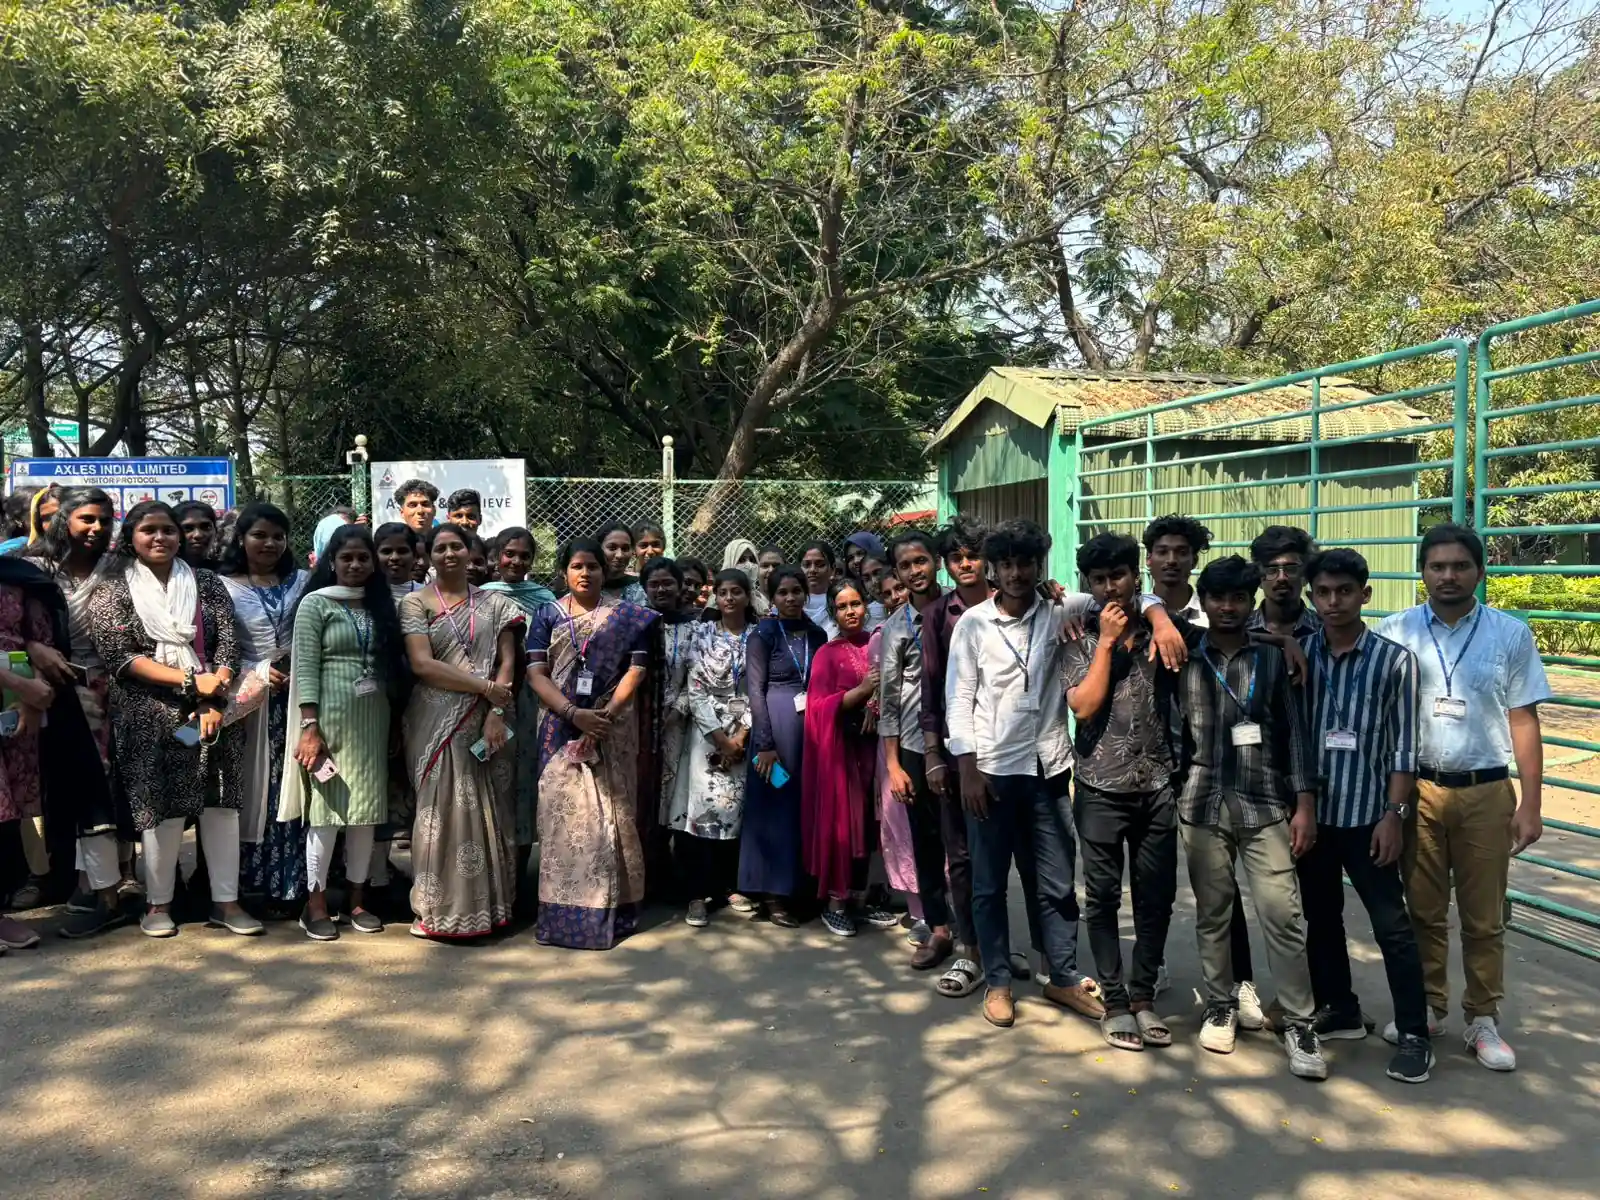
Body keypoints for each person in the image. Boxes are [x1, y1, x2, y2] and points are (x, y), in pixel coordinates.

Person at [948, 520, 1183, 1029]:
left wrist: (1161, 618)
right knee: (989, 885)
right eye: (1006, 565)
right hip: (991, 769)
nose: (1016, 573)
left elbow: (1124, 596)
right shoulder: (973, 624)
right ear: (993, 570)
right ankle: (998, 982)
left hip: (1049, 769)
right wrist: (966, 766)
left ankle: (1062, 975)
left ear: (1039, 566)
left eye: (1025, 563)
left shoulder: (1063, 608)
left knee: (1056, 884)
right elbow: (959, 698)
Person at [1377, 524, 1549, 1071]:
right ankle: (1430, 1008)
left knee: (1484, 917)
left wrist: (1531, 804)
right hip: (1419, 792)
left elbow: (1523, 719)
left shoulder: (1509, 634)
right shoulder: (1395, 631)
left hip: (1486, 791)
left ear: (1479, 571)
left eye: (1459, 566)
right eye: (1437, 566)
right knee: (1424, 912)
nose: (1448, 576)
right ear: (1422, 572)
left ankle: (1483, 1018)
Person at [1175, 555, 1326, 1079]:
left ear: (1250, 601)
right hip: (1202, 803)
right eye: (1217, 598)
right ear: (1205, 601)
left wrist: (1304, 804)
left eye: (1238, 598)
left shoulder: (1273, 660)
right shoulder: (1186, 655)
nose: (1227, 607)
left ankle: (1299, 1022)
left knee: (1282, 915)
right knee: (1213, 913)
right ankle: (1220, 1004)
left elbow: (1297, 736)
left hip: (1265, 804)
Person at [85, 500, 261, 938]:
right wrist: (191, 682)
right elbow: (121, 657)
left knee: (221, 805)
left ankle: (226, 902)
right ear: (131, 538)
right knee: (158, 809)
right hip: (148, 714)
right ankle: (158, 904)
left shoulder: (206, 583)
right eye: (149, 530)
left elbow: (228, 645)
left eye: (168, 529)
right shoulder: (114, 588)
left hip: (211, 714)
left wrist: (213, 695)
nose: (160, 537)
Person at [1292, 548, 1432, 1083]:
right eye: (1323, 593)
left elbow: (1404, 747)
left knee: (1391, 926)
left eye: (1344, 591)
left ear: (1364, 594)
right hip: (1315, 817)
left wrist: (1394, 815)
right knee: (1321, 917)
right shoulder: (1300, 653)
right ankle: (1341, 1009)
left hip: (1370, 818)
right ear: (1312, 597)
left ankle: (1415, 1033)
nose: (1333, 602)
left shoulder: (1395, 662)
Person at [1063, 533, 1182, 1051]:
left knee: (1156, 895)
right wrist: (1107, 644)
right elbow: (1084, 707)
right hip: (1099, 785)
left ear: (1137, 576)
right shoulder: (1076, 635)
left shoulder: (1164, 630)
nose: (1110, 587)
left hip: (1156, 784)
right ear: (1088, 584)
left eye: (1119, 576)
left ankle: (1143, 994)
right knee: (1104, 896)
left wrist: (1158, 618)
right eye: (1099, 579)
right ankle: (1114, 1002)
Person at [526, 538, 658, 948]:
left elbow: (636, 671)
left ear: (605, 571)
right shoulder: (547, 614)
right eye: (577, 566)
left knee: (611, 818)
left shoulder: (630, 617)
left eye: (593, 566)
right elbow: (536, 674)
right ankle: (560, 917)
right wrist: (573, 713)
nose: (585, 573)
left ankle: (613, 911)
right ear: (564, 572)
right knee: (562, 820)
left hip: (611, 728)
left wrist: (605, 717)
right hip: (558, 726)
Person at [398, 523, 523, 939]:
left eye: (457, 546)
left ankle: (491, 909)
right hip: (435, 720)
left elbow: (508, 662)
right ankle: (437, 911)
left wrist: (496, 709)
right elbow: (423, 664)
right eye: (440, 548)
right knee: (439, 813)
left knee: (490, 810)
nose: (449, 554)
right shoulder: (415, 603)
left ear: (471, 552)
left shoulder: (496, 604)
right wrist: (484, 688)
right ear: (429, 556)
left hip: (488, 720)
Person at [281, 524, 406, 941]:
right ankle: (315, 904)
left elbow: (391, 669)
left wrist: (394, 726)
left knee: (365, 812)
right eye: (346, 558)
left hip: (374, 720)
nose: (355, 565)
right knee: (326, 813)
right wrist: (309, 727)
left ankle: (356, 900)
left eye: (363, 558)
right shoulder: (315, 603)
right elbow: (305, 667)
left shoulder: (380, 604)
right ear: (331, 562)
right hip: (327, 722)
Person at [24, 489, 137, 930]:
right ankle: (90, 884)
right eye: (87, 519)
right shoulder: (34, 568)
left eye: (105, 520)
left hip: (120, 687)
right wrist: (33, 648)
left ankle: (109, 885)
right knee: (78, 789)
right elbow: (11, 624)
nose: (97, 528)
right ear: (64, 519)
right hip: (55, 691)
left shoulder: (122, 568)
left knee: (113, 785)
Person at [0, 549, 114, 948]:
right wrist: (20, 684)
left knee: (8, 813)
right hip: (17, 687)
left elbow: (41, 635)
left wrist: (33, 695)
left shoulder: (18, 574)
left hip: (18, 707)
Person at [878, 530, 971, 989]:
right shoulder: (897, 627)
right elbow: (889, 699)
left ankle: (978, 934)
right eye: (905, 566)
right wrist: (894, 765)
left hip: (969, 743)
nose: (915, 571)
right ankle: (939, 928)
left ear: (935, 561)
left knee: (970, 846)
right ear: (896, 574)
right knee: (927, 841)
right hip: (917, 747)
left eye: (921, 561)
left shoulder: (963, 609)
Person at [220, 503, 311, 915]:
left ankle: (292, 885)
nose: (269, 543)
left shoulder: (304, 582)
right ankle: (248, 886)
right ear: (241, 539)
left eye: (278, 536)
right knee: (252, 790)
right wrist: (256, 671)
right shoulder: (221, 586)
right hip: (246, 706)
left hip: (298, 700)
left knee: (295, 786)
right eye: (259, 535)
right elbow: (217, 645)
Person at [739, 565, 828, 926]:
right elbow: (755, 692)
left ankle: (801, 890)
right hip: (774, 734)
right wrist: (764, 743)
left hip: (810, 733)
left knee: (803, 809)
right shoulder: (763, 634)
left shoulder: (817, 634)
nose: (790, 598)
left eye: (796, 591)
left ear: (806, 593)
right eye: (782, 592)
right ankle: (772, 894)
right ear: (772, 597)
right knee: (774, 807)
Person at [668, 568, 755, 926]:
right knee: (699, 812)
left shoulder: (758, 636)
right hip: (706, 735)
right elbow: (696, 689)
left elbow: (759, 689)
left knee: (736, 811)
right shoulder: (701, 634)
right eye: (723, 592)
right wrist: (720, 738)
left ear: (748, 595)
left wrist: (741, 736)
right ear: (715, 596)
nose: (729, 598)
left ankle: (728, 886)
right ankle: (696, 893)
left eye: (737, 591)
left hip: (745, 730)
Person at [801, 579, 886, 936]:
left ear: (866, 606)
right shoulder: (827, 653)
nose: (850, 611)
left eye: (856, 604)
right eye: (842, 606)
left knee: (871, 822)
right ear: (833, 613)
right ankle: (835, 902)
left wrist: (875, 704)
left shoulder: (879, 643)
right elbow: (817, 708)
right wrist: (862, 691)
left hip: (877, 749)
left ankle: (862, 899)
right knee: (844, 824)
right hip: (842, 752)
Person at [480, 526, 556, 881]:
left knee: (525, 778)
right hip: (487, 694)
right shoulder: (481, 596)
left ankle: (518, 878)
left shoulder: (544, 599)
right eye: (509, 553)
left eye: (525, 556)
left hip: (530, 699)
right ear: (496, 557)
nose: (516, 561)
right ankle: (491, 877)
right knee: (491, 776)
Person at [867, 571, 921, 930]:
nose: (895, 597)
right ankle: (919, 910)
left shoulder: (942, 620)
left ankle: (947, 904)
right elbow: (882, 696)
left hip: (937, 738)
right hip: (895, 742)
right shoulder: (882, 635)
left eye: (899, 588)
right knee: (902, 823)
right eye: (887, 594)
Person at [1248, 525, 1321, 638]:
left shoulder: (1324, 630)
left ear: (1305, 576)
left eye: (1291, 569)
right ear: (1260, 578)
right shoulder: (1241, 630)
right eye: (1272, 569)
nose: (1281, 578)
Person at [1143, 513, 1211, 623]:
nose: (1171, 560)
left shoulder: (1211, 616)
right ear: (1148, 559)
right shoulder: (1134, 613)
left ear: (1194, 561)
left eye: (1182, 552)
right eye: (1162, 552)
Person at [394, 481, 439, 583]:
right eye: (413, 505)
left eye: (425, 504)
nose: (420, 511)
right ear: (402, 512)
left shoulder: (445, 543)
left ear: (434, 510)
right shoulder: (392, 546)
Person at [597, 520, 648, 605]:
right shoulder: (587, 587)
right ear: (599, 549)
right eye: (612, 548)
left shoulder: (641, 588)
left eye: (625, 549)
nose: (619, 555)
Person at [374, 522, 423, 603]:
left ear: (414, 555)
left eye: (402, 551)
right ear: (375, 556)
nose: (394, 557)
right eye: (386, 551)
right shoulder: (367, 596)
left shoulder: (427, 595)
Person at [798, 541, 838, 638]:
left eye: (820, 564)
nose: (812, 570)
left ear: (832, 569)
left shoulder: (840, 601)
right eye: (806, 565)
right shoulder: (790, 602)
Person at [721, 538, 770, 616]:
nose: (749, 565)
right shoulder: (719, 600)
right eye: (741, 560)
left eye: (752, 560)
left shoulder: (760, 599)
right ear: (730, 561)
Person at [173, 500, 221, 569]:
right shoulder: (161, 572)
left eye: (206, 527)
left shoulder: (227, 572)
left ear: (215, 530)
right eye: (188, 528)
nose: (198, 535)